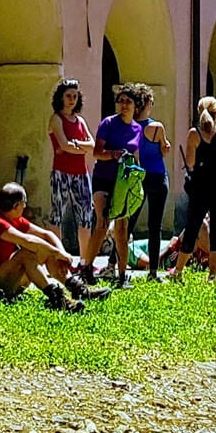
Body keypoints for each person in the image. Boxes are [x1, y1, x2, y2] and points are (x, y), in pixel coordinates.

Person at [0, 182, 104, 306]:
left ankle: (77, 288)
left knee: (46, 250)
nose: (25, 206)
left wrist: (61, 254)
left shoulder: (15, 219)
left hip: (3, 279)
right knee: (27, 253)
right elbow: (29, 241)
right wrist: (57, 253)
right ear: (16, 206)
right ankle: (56, 298)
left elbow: (46, 235)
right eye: (24, 203)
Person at [170, 95, 216, 281]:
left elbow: (190, 162)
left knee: (192, 229)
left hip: (200, 188)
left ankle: (178, 272)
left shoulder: (195, 134)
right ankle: (213, 275)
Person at [87, 84, 145, 284]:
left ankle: (122, 275)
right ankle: (87, 268)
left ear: (136, 106)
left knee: (122, 228)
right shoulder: (108, 123)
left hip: (123, 183)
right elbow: (96, 152)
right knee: (102, 223)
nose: (124, 105)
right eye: (120, 101)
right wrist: (113, 154)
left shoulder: (138, 129)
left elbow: (135, 156)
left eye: (128, 102)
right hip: (103, 177)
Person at [50, 80, 95, 258]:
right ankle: (57, 257)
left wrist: (77, 144)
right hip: (61, 173)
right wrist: (77, 146)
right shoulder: (56, 118)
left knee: (85, 215)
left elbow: (92, 144)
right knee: (57, 214)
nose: (72, 100)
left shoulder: (80, 121)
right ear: (61, 97)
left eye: (75, 96)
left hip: (81, 173)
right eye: (68, 95)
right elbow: (64, 144)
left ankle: (85, 260)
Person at [131, 85, 173, 274]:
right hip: (157, 175)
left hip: (138, 177)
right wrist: (165, 146)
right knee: (155, 226)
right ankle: (154, 271)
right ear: (147, 104)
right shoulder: (156, 127)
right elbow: (164, 150)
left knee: (129, 222)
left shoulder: (129, 128)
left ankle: (114, 263)